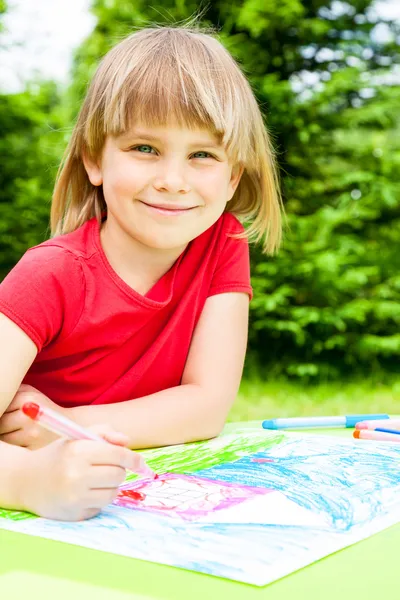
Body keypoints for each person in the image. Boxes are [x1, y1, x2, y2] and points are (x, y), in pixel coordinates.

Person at [0, 25, 283, 520]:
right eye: (145, 149)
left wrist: (67, 424)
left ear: (232, 174)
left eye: (202, 155)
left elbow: (207, 405)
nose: (173, 182)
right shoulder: (49, 274)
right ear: (94, 158)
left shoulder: (222, 245)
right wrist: (30, 480)